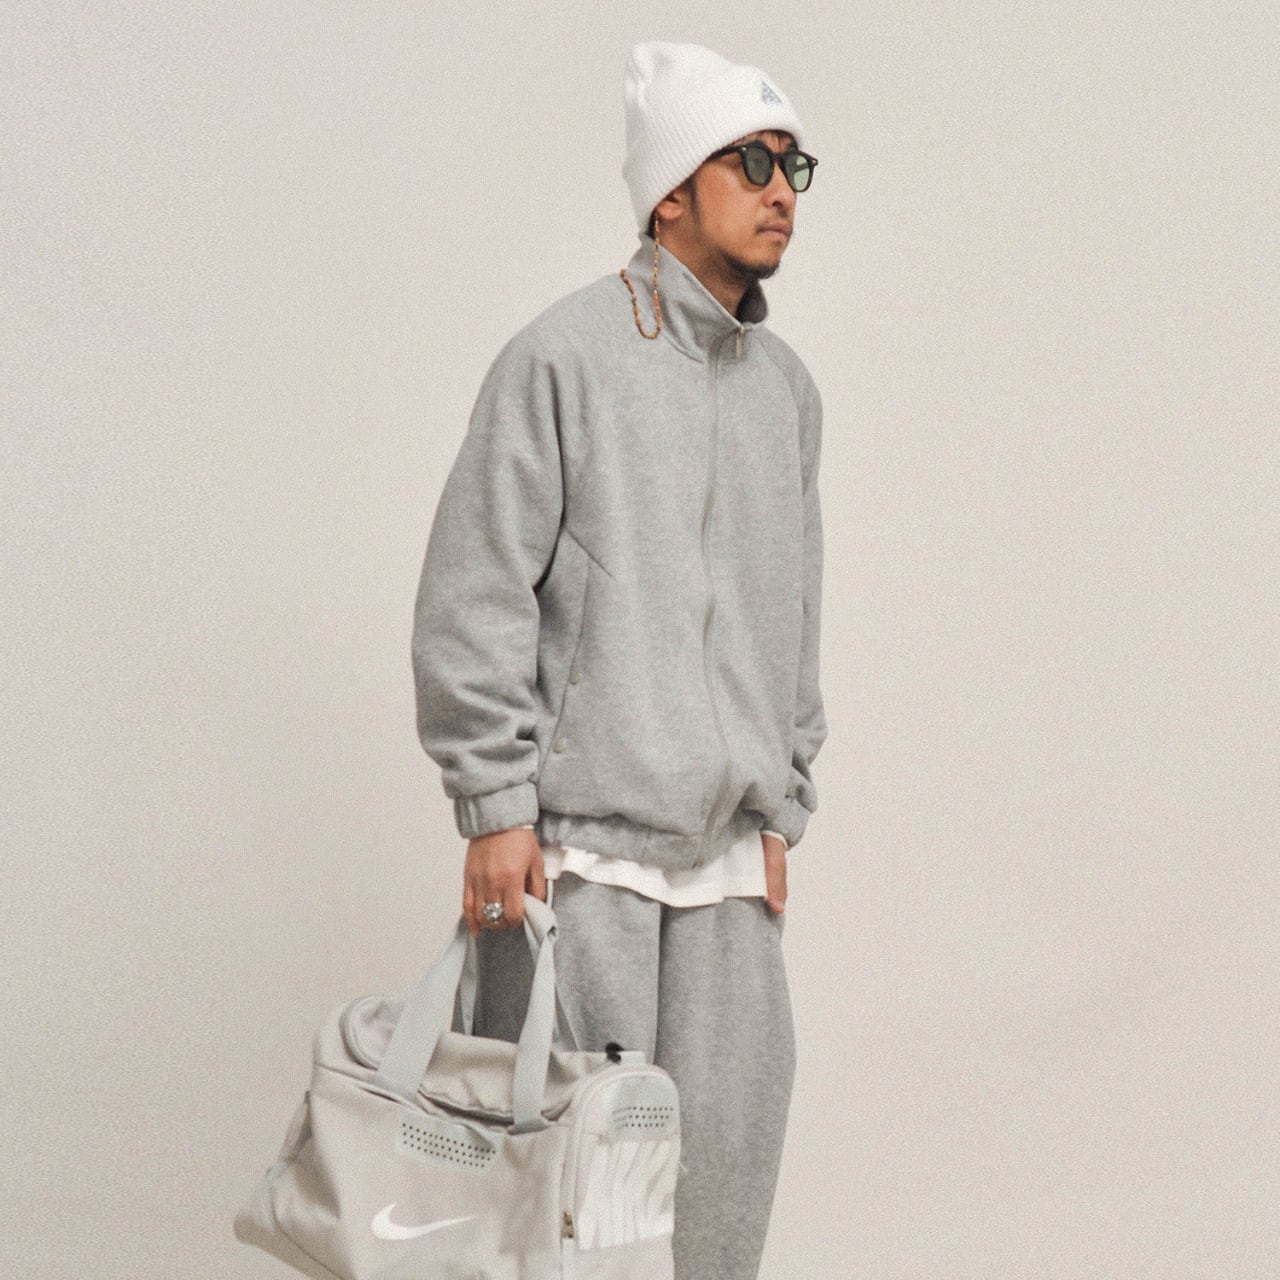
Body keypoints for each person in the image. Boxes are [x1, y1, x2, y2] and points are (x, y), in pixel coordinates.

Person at [411, 40, 827, 1280]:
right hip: (577, 860)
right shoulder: (562, 358)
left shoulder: (786, 392)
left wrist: (782, 796)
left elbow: (793, 606)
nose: (781, 189)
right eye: (749, 161)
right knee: (565, 1218)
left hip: (725, 868)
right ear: (669, 193)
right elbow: (476, 583)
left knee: (713, 1209)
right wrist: (494, 803)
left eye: (793, 164)